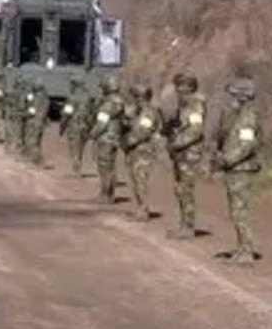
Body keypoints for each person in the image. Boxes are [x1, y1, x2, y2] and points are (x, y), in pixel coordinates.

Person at [211, 77, 262, 264]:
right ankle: (242, 248)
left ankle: (247, 251)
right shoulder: (239, 116)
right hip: (235, 169)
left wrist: (227, 160)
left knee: (240, 211)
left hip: (241, 170)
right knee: (235, 211)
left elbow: (246, 146)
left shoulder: (248, 117)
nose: (230, 99)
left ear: (242, 97)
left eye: (233, 95)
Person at [167, 72, 207, 240]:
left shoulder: (195, 106)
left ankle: (188, 227)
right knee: (179, 189)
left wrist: (178, 143)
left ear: (190, 87)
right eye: (178, 86)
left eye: (183, 86)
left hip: (189, 154)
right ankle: (183, 224)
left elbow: (196, 131)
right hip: (181, 154)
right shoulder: (184, 106)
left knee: (186, 191)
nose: (179, 89)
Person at [122, 83, 162, 221]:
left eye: (137, 97)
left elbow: (143, 132)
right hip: (136, 152)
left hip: (144, 152)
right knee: (136, 181)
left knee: (141, 181)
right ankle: (140, 208)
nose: (135, 100)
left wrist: (128, 142)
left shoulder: (149, 113)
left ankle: (143, 210)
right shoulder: (138, 112)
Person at [89, 75, 126, 204]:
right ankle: (109, 194)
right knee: (111, 166)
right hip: (115, 136)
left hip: (106, 137)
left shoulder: (108, 104)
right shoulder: (121, 101)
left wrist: (92, 134)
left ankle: (105, 195)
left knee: (104, 167)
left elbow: (102, 123)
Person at [60, 76, 95, 175]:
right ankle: (78, 164)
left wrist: (62, 127)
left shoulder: (72, 97)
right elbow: (93, 112)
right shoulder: (88, 96)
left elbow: (67, 114)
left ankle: (76, 168)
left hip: (74, 125)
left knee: (74, 146)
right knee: (81, 146)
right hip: (86, 125)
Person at [22, 80, 50, 167]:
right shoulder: (45, 98)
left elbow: (32, 110)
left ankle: (37, 161)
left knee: (32, 141)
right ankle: (35, 160)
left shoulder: (37, 98)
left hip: (33, 121)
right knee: (37, 141)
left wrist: (23, 114)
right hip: (40, 122)